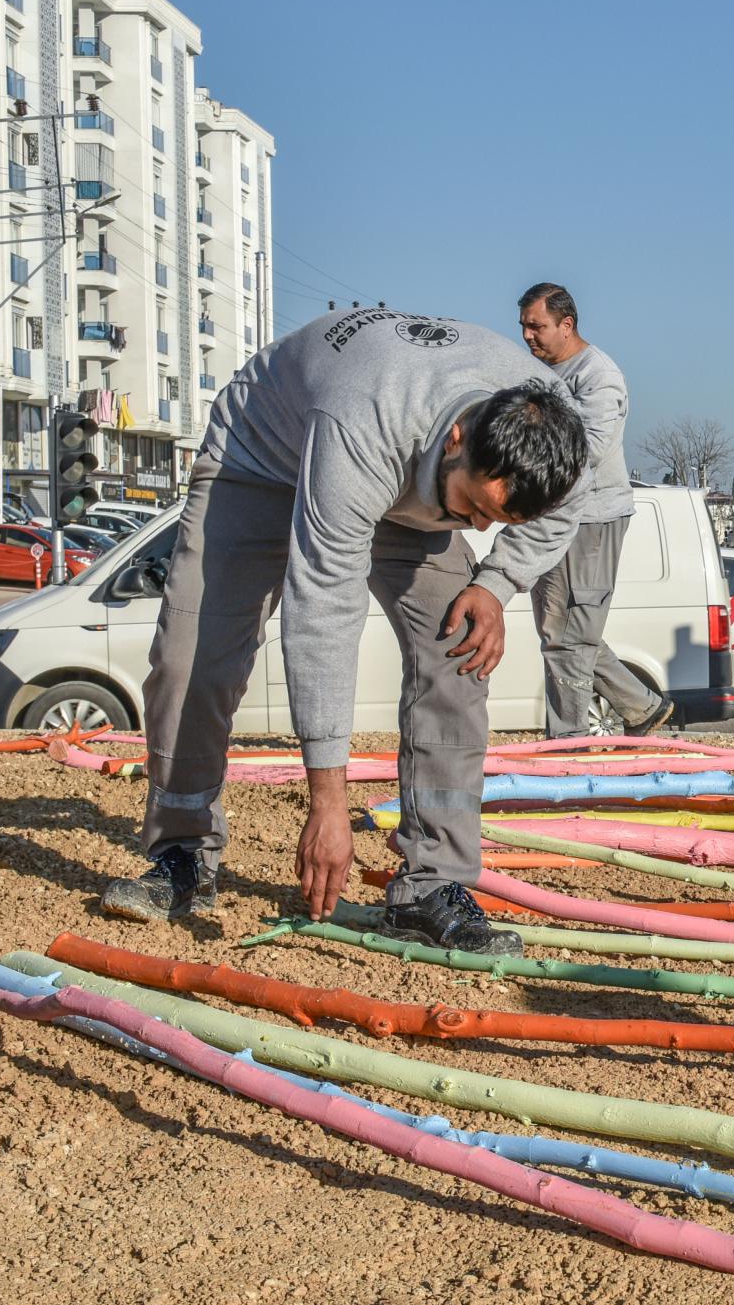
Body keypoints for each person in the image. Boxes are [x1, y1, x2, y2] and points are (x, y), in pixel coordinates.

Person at [97, 307, 590, 953]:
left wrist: (494, 584)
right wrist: (327, 801)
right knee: (196, 656)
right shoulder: (366, 415)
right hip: (265, 456)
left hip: (406, 485)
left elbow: (560, 518)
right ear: (457, 437)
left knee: (457, 649)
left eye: (494, 519)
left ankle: (430, 886)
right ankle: (181, 855)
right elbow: (323, 608)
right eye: (472, 508)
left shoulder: (560, 434)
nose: (475, 531)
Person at [509, 283, 672, 736]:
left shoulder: (598, 375)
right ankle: (640, 707)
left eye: (536, 326)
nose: (527, 335)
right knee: (558, 632)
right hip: (553, 515)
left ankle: (567, 744)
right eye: (523, 326)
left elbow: (590, 449)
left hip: (594, 517)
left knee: (571, 637)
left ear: (567, 324)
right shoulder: (538, 373)